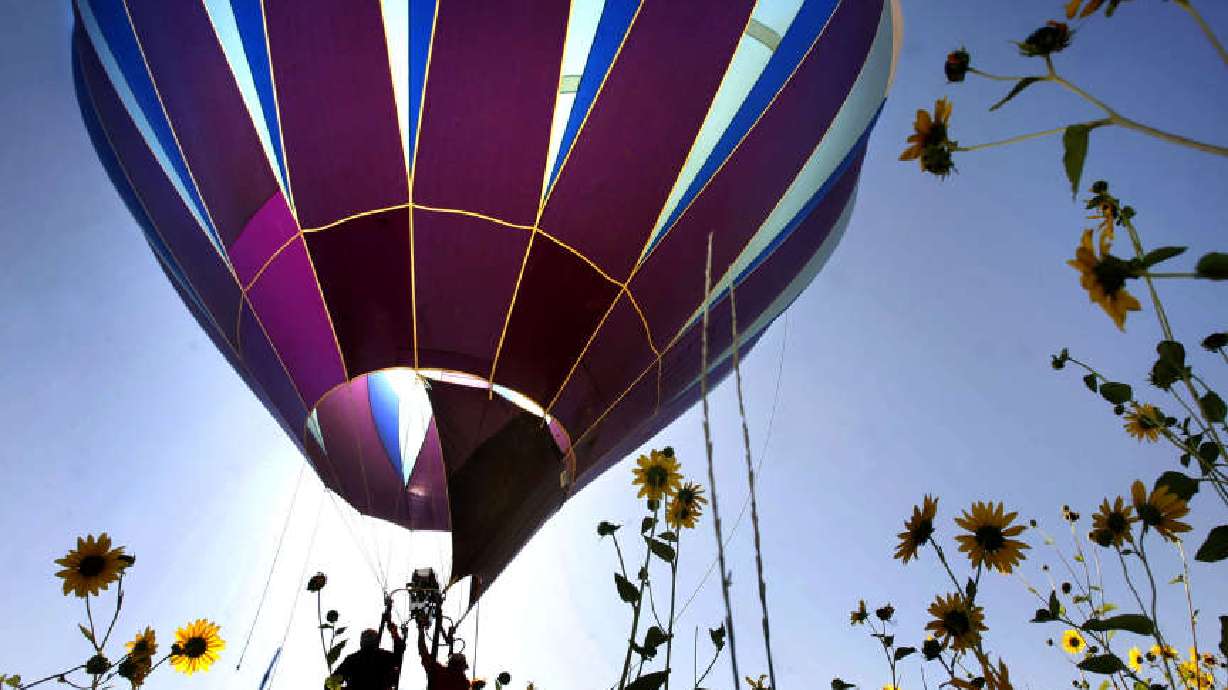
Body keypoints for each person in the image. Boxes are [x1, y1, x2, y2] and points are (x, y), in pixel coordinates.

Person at [334, 597, 406, 690]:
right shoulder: (384, 657)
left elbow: (330, 684)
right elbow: (399, 650)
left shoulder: (352, 659)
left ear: (361, 642)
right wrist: (393, 631)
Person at [416, 616, 469, 690]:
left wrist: (421, 630)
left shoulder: (439, 672)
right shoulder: (464, 683)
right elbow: (423, 652)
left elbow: (423, 651)